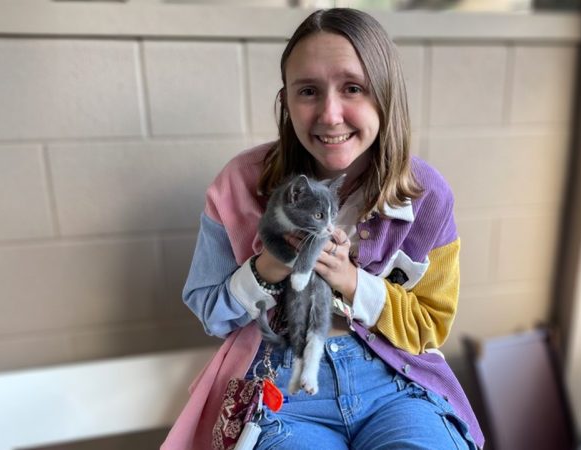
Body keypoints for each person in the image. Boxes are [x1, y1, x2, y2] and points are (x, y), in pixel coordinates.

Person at [162, 8, 484, 450]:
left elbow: (430, 324)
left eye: (353, 88)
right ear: (287, 101)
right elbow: (210, 310)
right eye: (308, 91)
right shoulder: (237, 184)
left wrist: (353, 282)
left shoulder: (427, 195)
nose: (330, 115)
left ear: (385, 96)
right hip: (281, 385)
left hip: (395, 385)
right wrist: (267, 267)